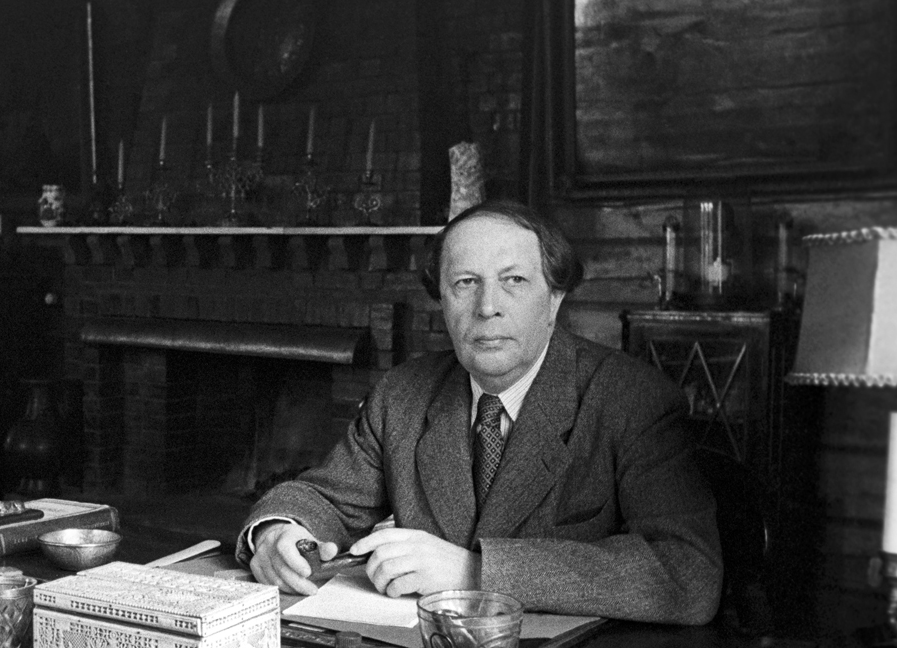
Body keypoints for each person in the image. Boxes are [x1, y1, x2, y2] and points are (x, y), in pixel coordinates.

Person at [238, 200, 722, 625]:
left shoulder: (631, 400)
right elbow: (324, 498)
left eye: (513, 281)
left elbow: (687, 572)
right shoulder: (403, 395)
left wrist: (474, 573)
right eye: (465, 283)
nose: (488, 306)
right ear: (443, 302)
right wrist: (278, 533)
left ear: (553, 299)